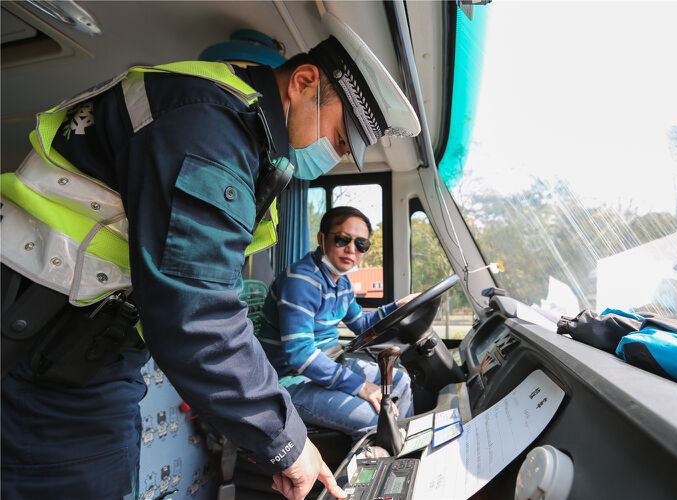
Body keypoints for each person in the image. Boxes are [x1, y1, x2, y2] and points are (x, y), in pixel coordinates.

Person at [0, 12, 419, 500]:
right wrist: (286, 440)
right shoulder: (211, 124)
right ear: (305, 82)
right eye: (340, 136)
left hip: (92, 345)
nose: (336, 154)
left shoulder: (234, 131)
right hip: (44, 341)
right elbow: (198, 313)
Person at [259, 206, 419, 437]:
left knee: (401, 381)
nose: (351, 249)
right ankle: (376, 463)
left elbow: (362, 324)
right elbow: (300, 355)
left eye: (361, 244)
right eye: (343, 239)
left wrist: (397, 306)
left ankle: (400, 451)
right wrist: (361, 386)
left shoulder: (341, 283)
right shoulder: (301, 281)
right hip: (291, 380)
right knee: (377, 419)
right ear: (322, 239)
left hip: (331, 363)